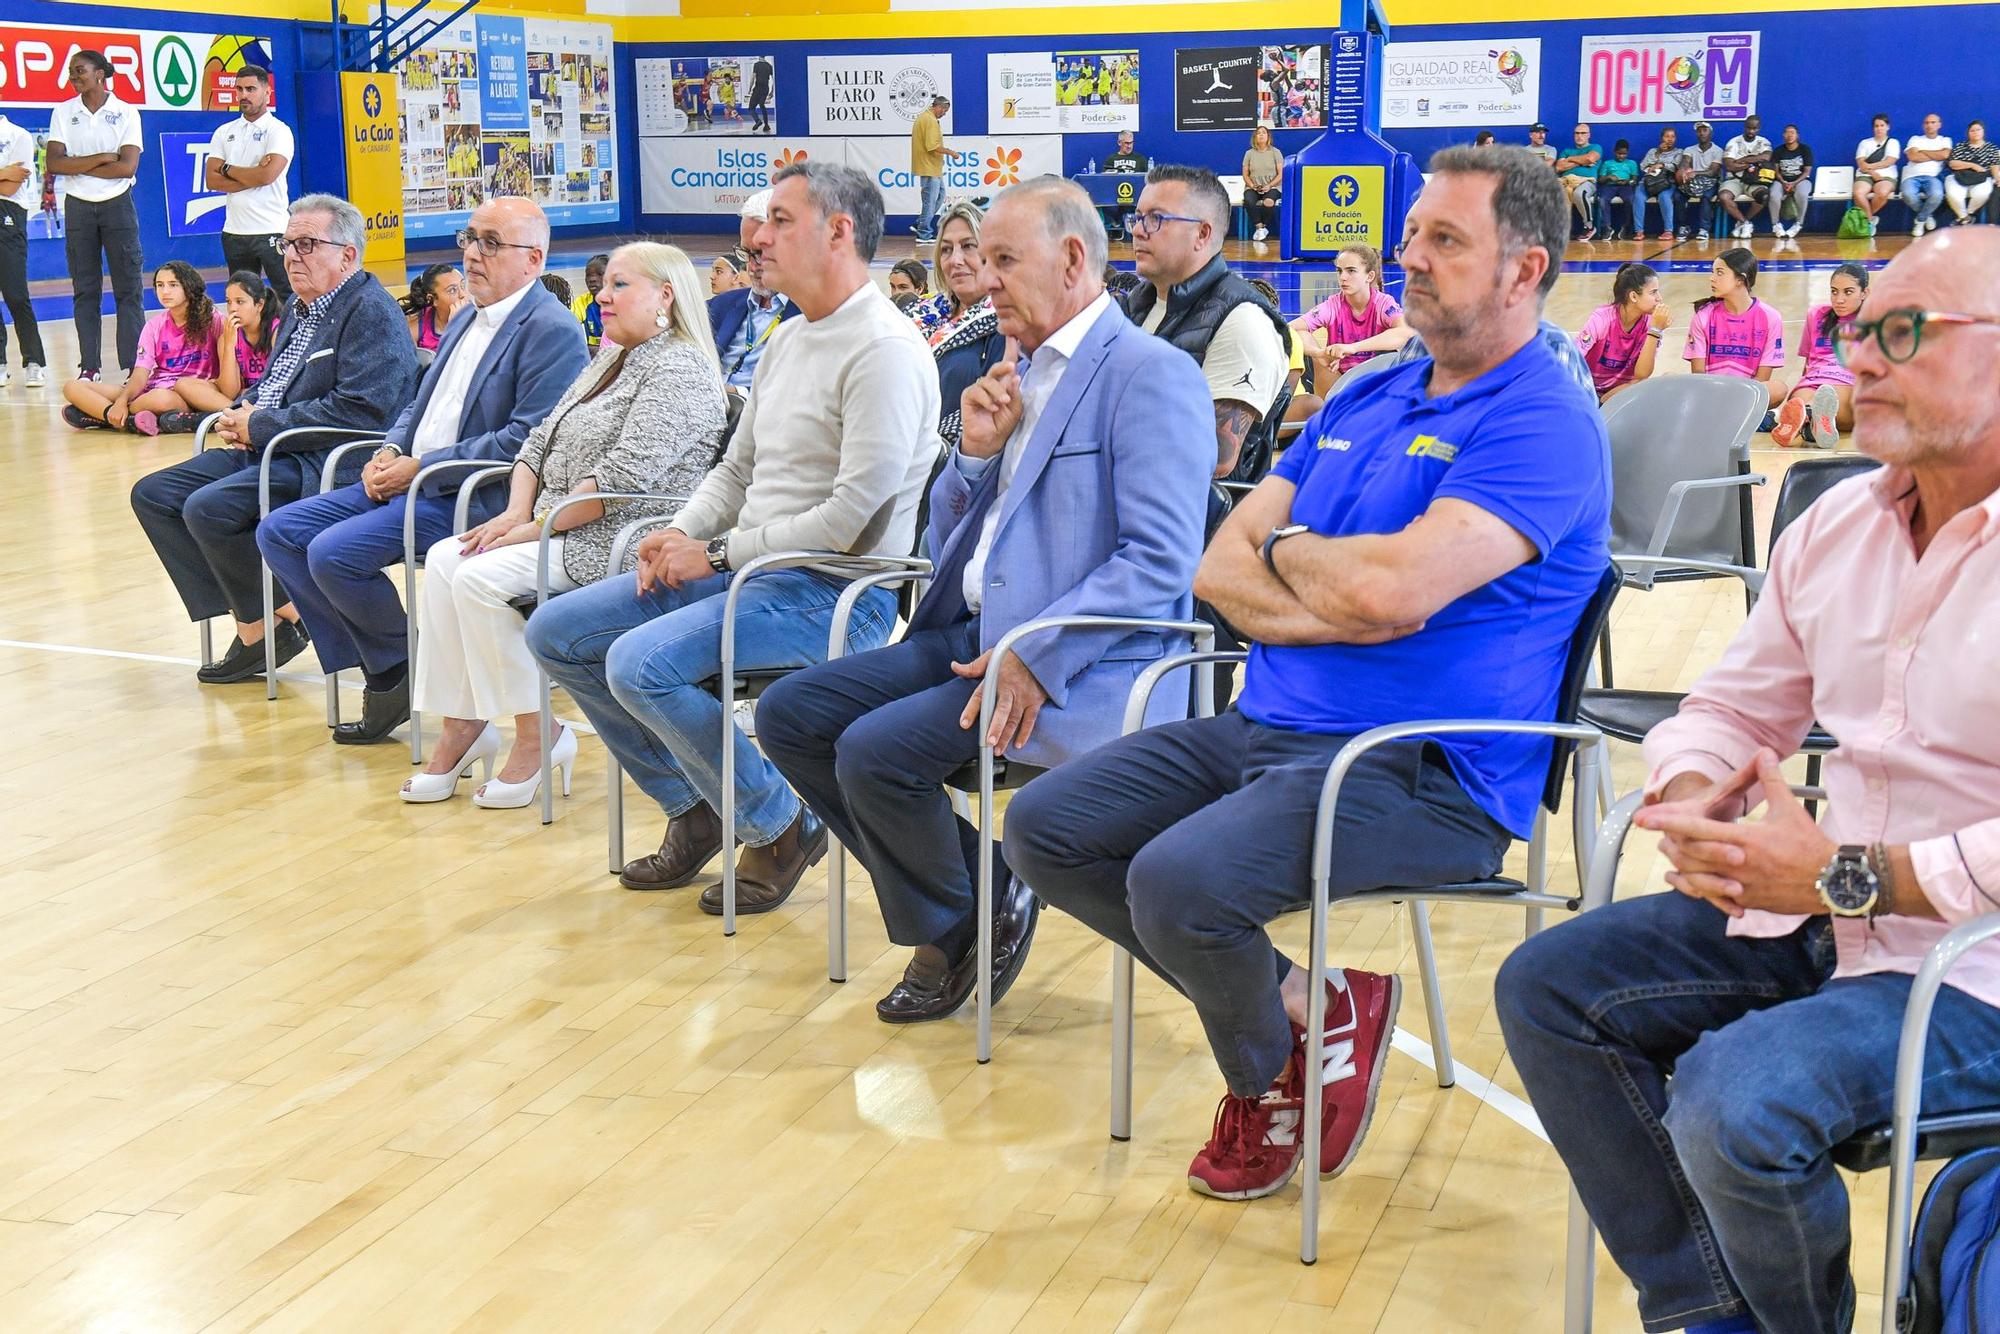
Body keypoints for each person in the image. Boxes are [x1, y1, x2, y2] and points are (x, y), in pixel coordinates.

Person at [1004, 144, 1610, 1202]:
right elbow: (1217, 564)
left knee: (1178, 882)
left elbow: (1392, 591)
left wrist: (1308, 575)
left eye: (1443, 240)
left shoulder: (1543, 421)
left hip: (1421, 768)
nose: (1406, 255)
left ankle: (1266, 1078)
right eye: (1412, 233)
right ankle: (1308, 1006)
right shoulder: (1365, 397)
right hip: (1267, 725)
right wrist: (1332, 587)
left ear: (1524, 270)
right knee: (1043, 828)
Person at [1495, 228, 2000, 1334]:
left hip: (1977, 974)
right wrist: (1686, 794)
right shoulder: (1835, 525)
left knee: (1734, 1099)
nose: (1858, 359)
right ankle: (1716, 1311)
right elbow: (1728, 706)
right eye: (1859, 332)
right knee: (1548, 987)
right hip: (1832, 915)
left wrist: (1841, 878)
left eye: (1901, 334)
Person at [756, 174, 1212, 1016]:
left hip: (1074, 664)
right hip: (967, 631)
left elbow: (1159, 561)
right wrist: (970, 456)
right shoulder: (1016, 369)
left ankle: (958, 919)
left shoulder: (1150, 375)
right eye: (976, 257)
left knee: (875, 753)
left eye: (1003, 258)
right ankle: (979, 887)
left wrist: (1035, 656)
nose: (981, 276)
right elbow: (955, 537)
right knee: (791, 716)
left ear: (1073, 258)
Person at [527, 161, 940, 911]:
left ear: (840, 232)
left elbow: (849, 519)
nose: (759, 238)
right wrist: (679, 532)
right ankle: (701, 807)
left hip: (837, 591)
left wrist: (712, 553)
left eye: (782, 222)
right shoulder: (788, 337)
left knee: (639, 663)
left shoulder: (883, 348)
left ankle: (780, 825)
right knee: (557, 630)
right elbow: (735, 469)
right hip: (754, 572)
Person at [406, 242, 727, 807]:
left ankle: (539, 734)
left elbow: (620, 479)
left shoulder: (682, 368)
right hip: (558, 520)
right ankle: (463, 722)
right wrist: (514, 512)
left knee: (477, 579)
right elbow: (537, 439)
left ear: (665, 296)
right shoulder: (611, 356)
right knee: (443, 559)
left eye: (620, 285)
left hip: (619, 537)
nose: (601, 294)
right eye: (605, 284)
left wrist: (534, 527)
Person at [256, 197, 587, 745]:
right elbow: (417, 401)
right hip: (411, 478)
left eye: (490, 243)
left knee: (332, 553)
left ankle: (394, 673)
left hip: (471, 497)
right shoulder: (465, 316)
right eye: (469, 238)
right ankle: (390, 663)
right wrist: (388, 450)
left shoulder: (550, 330)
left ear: (532, 260)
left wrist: (421, 467)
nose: (472, 255)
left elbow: (524, 441)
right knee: (281, 532)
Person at [129, 194, 417, 685]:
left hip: (322, 457)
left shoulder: (370, 310)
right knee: (153, 495)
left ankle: (264, 629)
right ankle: (267, 622)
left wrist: (258, 424)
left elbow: (363, 409)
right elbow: (274, 385)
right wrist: (241, 412)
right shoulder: (301, 310)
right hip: (272, 445)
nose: (290, 255)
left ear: (348, 254)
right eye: (287, 244)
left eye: (306, 244)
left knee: (208, 509)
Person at [1123, 164, 1291, 484]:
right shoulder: (1137, 305)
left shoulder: (1243, 321)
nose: (1138, 230)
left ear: (1202, 233)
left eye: (1156, 218)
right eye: (1138, 217)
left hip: (1199, 527)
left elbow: (1216, 458)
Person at [44, 50, 144, 383]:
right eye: (71, 72)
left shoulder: (126, 112)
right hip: (79, 208)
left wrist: (80, 164)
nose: (73, 76)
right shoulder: (63, 111)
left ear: (100, 74)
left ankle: (133, 366)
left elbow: (127, 166)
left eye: (79, 71)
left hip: (118, 204)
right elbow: (55, 164)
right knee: (85, 290)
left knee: (128, 289)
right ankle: (90, 367)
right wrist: (102, 157)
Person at [61, 260, 216, 436]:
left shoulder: (213, 320)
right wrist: (122, 399)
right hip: (150, 390)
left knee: (160, 399)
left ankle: (102, 416)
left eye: (173, 285)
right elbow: (141, 373)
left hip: (183, 394)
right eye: (160, 285)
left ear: (189, 286)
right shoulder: (153, 326)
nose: (165, 291)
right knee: (72, 387)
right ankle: (129, 421)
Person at [910, 201, 1005, 450]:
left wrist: (929, 449)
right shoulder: (918, 314)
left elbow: (992, 410)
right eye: (946, 250)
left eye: (968, 246)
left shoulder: (1006, 325)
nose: (955, 260)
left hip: (951, 464)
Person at [204, 65, 293, 300]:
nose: (244, 95)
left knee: (287, 295)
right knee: (242, 299)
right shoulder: (224, 132)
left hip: (272, 229)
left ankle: (291, 338)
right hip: (235, 232)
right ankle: (248, 339)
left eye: (251, 89)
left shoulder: (279, 131)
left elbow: (267, 177)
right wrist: (252, 173)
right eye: (239, 89)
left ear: (267, 92)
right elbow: (212, 180)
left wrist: (228, 169)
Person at [157, 270, 285, 430]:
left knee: (244, 396)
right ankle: (235, 415)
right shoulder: (228, 336)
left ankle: (214, 418)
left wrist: (250, 392)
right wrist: (230, 345)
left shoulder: (277, 331)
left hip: (270, 397)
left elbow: (282, 382)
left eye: (240, 302)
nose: (232, 309)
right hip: (241, 398)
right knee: (183, 384)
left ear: (259, 305)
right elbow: (229, 391)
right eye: (229, 302)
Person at [1770, 261, 1867, 449]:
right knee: (1806, 398)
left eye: (1848, 292)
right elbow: (1808, 362)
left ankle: (1806, 421)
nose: (1839, 299)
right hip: (1813, 381)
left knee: (1829, 396)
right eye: (1834, 291)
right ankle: (1811, 419)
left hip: (1847, 383)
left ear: (1864, 293)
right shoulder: (1816, 315)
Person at [1687, 247, 1788, 418]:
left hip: (1746, 394)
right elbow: (1698, 375)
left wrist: (1736, 396)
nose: (1712, 278)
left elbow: (1761, 379)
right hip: (1710, 394)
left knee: (1779, 388)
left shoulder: (1770, 318)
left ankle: (1728, 416)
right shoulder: (1703, 316)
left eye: (1719, 273)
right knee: (1670, 378)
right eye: (1713, 272)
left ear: (1740, 279)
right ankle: (1749, 420)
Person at [1291, 245, 1409, 391]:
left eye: (1351, 271)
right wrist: (1320, 354)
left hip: (1373, 381)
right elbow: (1289, 329)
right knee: (1299, 335)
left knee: (1397, 351)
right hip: (1338, 380)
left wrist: (1353, 348)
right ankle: (1327, 404)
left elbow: (1406, 332)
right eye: (1339, 271)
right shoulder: (1332, 305)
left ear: (1369, 276)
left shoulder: (1383, 303)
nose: (1343, 277)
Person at [708, 189, 790, 395]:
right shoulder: (722, 305)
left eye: (761, 253)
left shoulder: (815, 315)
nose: (752, 266)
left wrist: (738, 392)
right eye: (746, 253)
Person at [1575, 261, 1668, 404]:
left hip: (1621, 394)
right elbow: (1574, 359)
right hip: (1586, 393)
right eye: (1653, 292)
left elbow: (1642, 375)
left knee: (1663, 381)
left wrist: (1655, 331)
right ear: (1634, 297)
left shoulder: (1652, 323)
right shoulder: (1602, 319)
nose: (1659, 298)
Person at [0, 110, 47, 390]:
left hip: (7, 214)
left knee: (16, 295)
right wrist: (3, 172)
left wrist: (8, 176)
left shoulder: (17, 135)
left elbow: (11, 185)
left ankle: (34, 362)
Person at [910, 95, 967, 243]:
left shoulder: (926, 118)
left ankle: (920, 223)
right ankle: (923, 233)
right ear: (939, 107)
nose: (945, 114)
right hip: (928, 167)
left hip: (932, 167)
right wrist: (951, 153)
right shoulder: (929, 121)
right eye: (945, 110)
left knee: (940, 196)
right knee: (930, 200)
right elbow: (932, 147)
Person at [1718, 114, 1773, 240]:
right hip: (1734, 179)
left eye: (1754, 129)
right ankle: (1745, 223)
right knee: (1724, 197)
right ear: (1744, 126)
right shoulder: (1734, 142)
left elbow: (1766, 157)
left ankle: (1742, 223)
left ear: (1759, 129)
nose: (1751, 131)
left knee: (1764, 196)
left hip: (1754, 180)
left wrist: (1742, 160)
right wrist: (1753, 162)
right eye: (1749, 128)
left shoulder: (1764, 142)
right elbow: (1729, 166)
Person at [1901, 111, 1951, 238]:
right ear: (1923, 126)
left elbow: (1945, 155)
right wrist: (1935, 155)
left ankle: (1920, 220)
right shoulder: (1915, 139)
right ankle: (1926, 216)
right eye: (1927, 123)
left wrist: (1922, 151)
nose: (1929, 125)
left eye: (1933, 122)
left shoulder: (1945, 140)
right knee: (1907, 194)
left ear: (1939, 125)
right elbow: (1913, 157)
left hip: (1933, 177)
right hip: (1911, 176)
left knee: (1937, 195)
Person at [1853, 114, 1901, 236]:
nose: (1879, 128)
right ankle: (1870, 220)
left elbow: (1889, 161)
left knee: (1882, 193)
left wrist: (1870, 167)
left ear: (1888, 127)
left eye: (1882, 125)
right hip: (1865, 175)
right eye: (1876, 126)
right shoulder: (1864, 143)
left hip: (1887, 176)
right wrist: (1872, 172)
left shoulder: (1893, 142)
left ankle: (1865, 219)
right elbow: (1861, 163)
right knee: (1858, 193)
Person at [1677, 121, 1725, 241]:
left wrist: (1695, 173)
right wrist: (1683, 171)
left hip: (1710, 182)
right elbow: (1685, 162)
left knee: (1706, 197)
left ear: (1710, 133)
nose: (1702, 133)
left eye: (1705, 130)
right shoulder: (1689, 149)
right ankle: (1683, 226)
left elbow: (1713, 172)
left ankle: (1704, 229)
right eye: (1699, 131)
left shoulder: (1718, 150)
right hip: (1692, 182)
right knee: (1677, 196)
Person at [1945, 120, 1999, 225]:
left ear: (1983, 131)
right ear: (1968, 133)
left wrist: (1997, 178)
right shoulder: (1960, 146)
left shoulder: (1991, 148)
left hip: (1982, 178)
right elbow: (1952, 163)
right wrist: (1972, 165)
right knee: (1953, 194)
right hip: (1960, 176)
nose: (1975, 132)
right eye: (1972, 130)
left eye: (1978, 130)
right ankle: (1965, 217)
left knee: (1983, 193)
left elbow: (1995, 165)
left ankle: (1966, 215)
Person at [404, 263, 466, 352]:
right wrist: (454, 328)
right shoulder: (414, 328)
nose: (463, 295)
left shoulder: (479, 317)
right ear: (433, 299)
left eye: (463, 286)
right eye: (452, 290)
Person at [1555, 123, 1603, 238]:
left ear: (1589, 135)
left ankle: (1589, 227)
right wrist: (1583, 161)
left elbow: (1590, 158)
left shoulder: (1595, 147)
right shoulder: (1567, 151)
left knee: (1579, 193)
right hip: (1566, 181)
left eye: (1583, 133)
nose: (1579, 136)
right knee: (1552, 192)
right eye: (1577, 133)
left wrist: (1570, 160)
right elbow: (1559, 167)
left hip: (1587, 181)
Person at [1767, 124, 1814, 239]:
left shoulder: (1805, 149)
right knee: (1773, 195)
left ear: (1797, 135)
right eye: (1787, 132)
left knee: (1802, 194)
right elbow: (1776, 171)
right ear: (1783, 135)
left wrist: (1794, 183)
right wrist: (1783, 182)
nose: (1789, 135)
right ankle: (1776, 225)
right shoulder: (1778, 150)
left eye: (1792, 132)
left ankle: (1798, 224)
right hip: (1782, 181)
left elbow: (1807, 171)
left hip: (1801, 180)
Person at [1639, 127, 1683, 241]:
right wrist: (1659, 153)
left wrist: (1661, 165)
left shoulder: (1679, 152)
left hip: (1666, 183)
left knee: (1664, 197)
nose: (1670, 139)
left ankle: (1668, 231)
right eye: (1667, 136)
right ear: (1662, 138)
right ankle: (1638, 231)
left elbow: (1675, 166)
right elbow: (1643, 166)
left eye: (1672, 136)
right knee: (1638, 197)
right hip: (1649, 182)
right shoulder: (1653, 151)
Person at [1242, 125, 1283, 242]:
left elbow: (1281, 174)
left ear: (1268, 136)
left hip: (1273, 186)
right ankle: (1259, 227)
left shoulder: (1276, 152)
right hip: (1253, 187)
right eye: (1258, 133)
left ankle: (1263, 226)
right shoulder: (1249, 153)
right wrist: (1252, 186)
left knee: (1268, 202)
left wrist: (1269, 185)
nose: (1261, 135)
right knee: (1248, 200)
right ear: (1255, 137)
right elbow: (1245, 174)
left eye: (1263, 133)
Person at [1595, 139, 1640, 240]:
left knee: (1630, 199)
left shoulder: (1632, 163)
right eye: (1619, 153)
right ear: (1614, 152)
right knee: (1602, 200)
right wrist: (1609, 177)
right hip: (1609, 186)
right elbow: (1600, 180)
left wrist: (1628, 182)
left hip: (1625, 186)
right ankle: (1607, 227)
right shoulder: (1607, 163)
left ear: (1627, 153)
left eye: (1624, 154)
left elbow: (1635, 180)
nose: (1621, 156)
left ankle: (1626, 226)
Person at [572, 252, 608, 350]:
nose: (592, 279)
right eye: (588, 275)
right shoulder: (581, 303)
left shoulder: (622, 302)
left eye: (599, 274)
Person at [748, 56, 773, 133]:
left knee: (751, 108)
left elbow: (753, 77)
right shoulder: (769, 66)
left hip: (758, 88)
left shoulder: (756, 65)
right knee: (762, 105)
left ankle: (758, 121)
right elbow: (774, 79)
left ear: (759, 56)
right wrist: (772, 91)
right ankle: (766, 125)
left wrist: (750, 88)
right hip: (766, 88)